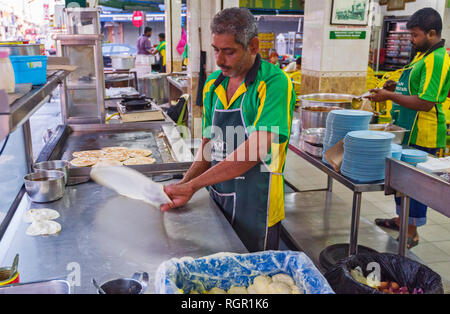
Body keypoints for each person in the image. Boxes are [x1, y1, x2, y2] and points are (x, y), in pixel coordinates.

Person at [160, 7, 296, 252]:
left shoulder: (274, 83)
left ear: (253, 46)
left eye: (229, 52)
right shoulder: (213, 84)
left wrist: (192, 187)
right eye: (216, 50)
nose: (220, 60)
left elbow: (254, 151)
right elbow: (208, 147)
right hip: (218, 198)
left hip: (258, 205)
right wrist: (183, 184)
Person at [366, 7, 450, 249]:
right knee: (400, 180)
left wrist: (389, 96)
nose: (412, 40)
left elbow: (426, 101)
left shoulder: (437, 58)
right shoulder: (423, 54)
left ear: (432, 33)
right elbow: (413, 86)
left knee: (415, 184)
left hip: (424, 131)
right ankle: (402, 219)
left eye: (415, 35)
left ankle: (410, 232)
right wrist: (396, 86)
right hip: (407, 126)